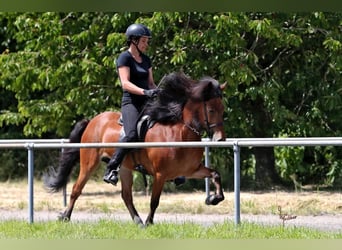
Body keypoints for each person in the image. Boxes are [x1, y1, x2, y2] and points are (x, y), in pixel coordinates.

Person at [103, 23, 159, 186]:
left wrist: (157, 91)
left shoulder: (146, 59)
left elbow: (150, 83)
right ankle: (112, 168)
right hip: (131, 103)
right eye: (144, 41)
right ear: (133, 41)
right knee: (132, 134)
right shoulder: (124, 58)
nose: (146, 44)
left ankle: (171, 168)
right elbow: (125, 84)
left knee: (163, 126)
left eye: (147, 41)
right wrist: (144, 92)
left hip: (147, 102)